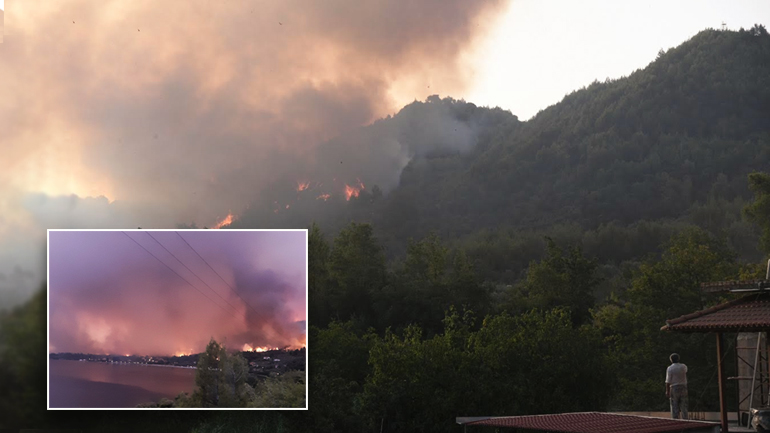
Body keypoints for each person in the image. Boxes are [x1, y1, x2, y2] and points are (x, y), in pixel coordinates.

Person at [666, 353, 688, 419]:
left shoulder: (670, 368)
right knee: (684, 405)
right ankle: (685, 418)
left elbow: (668, 381)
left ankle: (675, 419)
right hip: (683, 386)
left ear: (671, 360)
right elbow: (686, 371)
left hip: (674, 387)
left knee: (674, 405)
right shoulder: (683, 366)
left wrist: (667, 391)